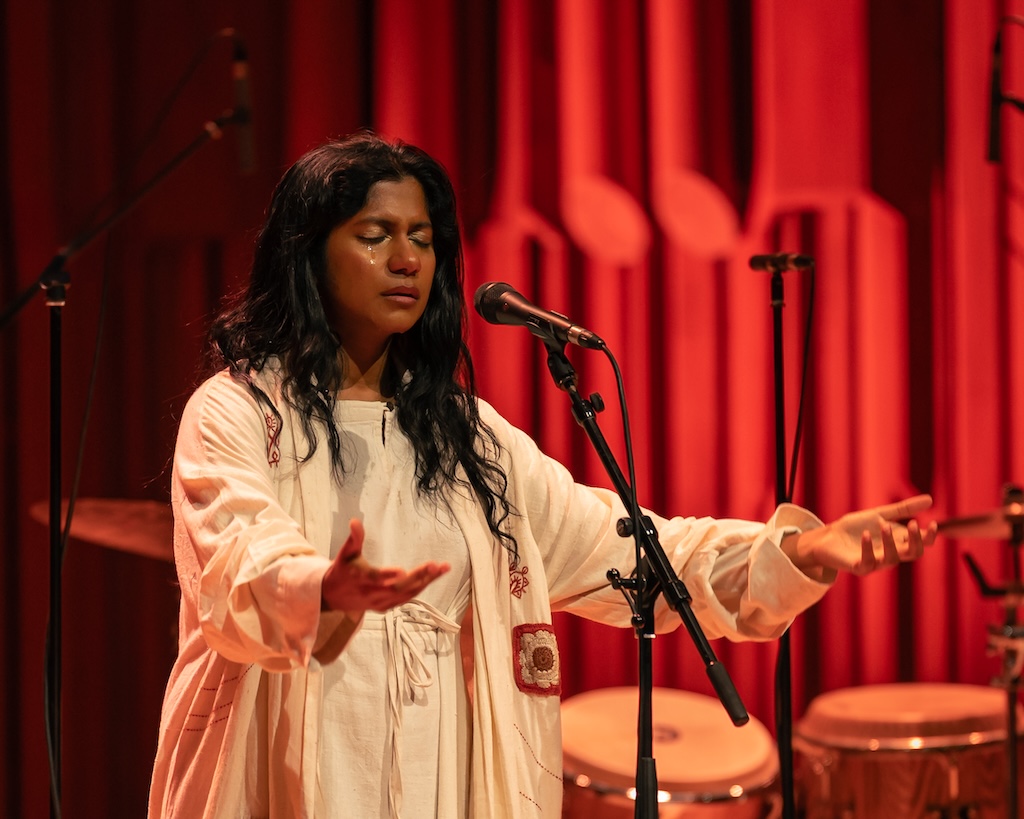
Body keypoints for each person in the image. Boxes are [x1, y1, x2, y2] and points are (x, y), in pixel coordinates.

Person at [147, 131, 936, 819]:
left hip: (442, 767)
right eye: (375, 234)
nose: (407, 259)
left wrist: (801, 550)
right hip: (300, 759)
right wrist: (324, 587)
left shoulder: (466, 436)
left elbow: (637, 553)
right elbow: (238, 555)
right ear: (308, 253)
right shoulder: (242, 412)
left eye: (422, 237)